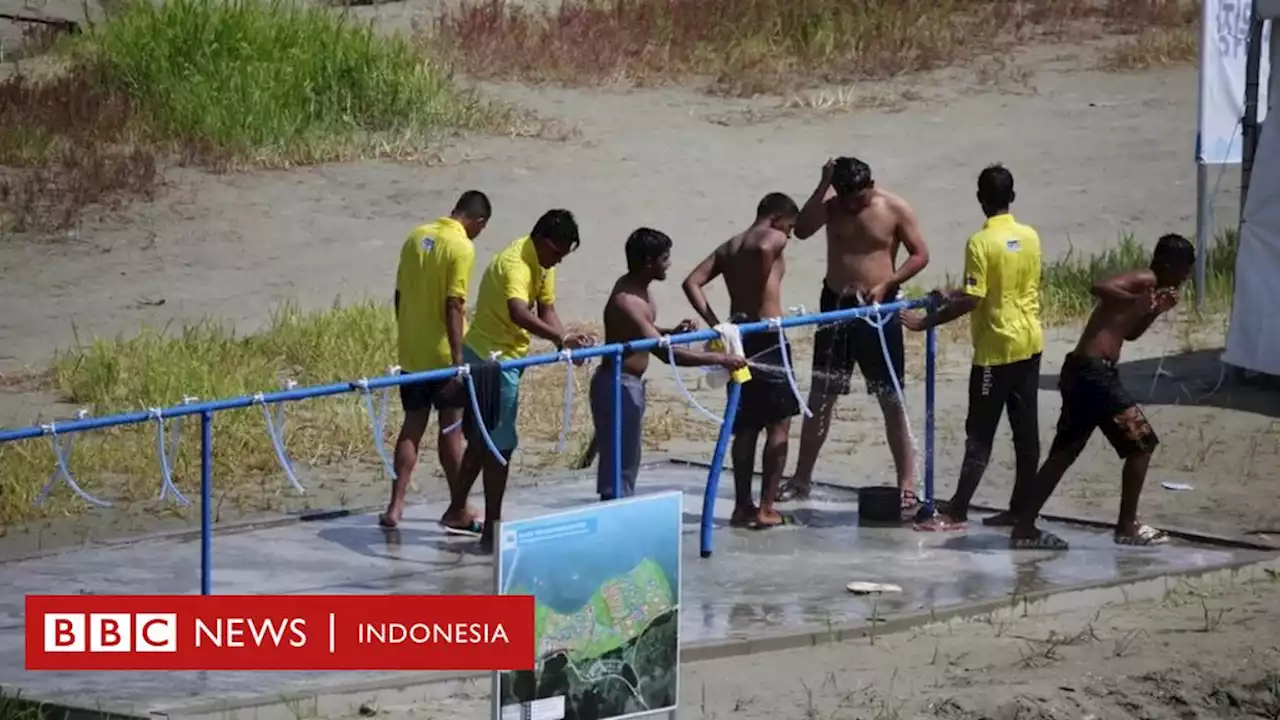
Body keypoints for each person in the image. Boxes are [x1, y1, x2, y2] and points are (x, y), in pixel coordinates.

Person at [1009, 234, 1195, 549]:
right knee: (1142, 442)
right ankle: (1127, 526)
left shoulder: (1149, 289)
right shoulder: (1144, 278)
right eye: (1184, 270)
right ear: (1168, 264)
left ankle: (1024, 526)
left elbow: (1130, 332)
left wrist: (1153, 311)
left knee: (1064, 453)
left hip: (1085, 372)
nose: (1186, 277)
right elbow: (1097, 286)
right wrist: (1133, 300)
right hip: (1093, 374)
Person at [780, 157, 930, 508]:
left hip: (880, 309)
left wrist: (888, 283)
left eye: (859, 198)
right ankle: (802, 478)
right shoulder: (832, 207)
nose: (853, 205)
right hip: (836, 305)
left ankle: (906, 484)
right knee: (821, 395)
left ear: (872, 184)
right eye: (846, 197)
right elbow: (801, 230)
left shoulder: (894, 207)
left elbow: (920, 255)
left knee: (890, 398)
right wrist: (823, 184)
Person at [902, 164, 1044, 531]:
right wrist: (950, 292)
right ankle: (1020, 509)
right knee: (1026, 432)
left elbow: (974, 300)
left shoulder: (980, 243)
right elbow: (1001, 286)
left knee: (979, 433)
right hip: (1030, 344)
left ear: (980, 199)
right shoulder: (1029, 236)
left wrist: (924, 323)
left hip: (996, 352)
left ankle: (957, 510)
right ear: (1012, 197)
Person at [451, 209, 593, 552]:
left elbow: (546, 310)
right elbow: (519, 311)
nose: (558, 263)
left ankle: (456, 509)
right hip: (489, 360)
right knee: (502, 446)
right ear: (544, 241)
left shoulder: (543, 265)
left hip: (512, 356)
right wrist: (560, 340)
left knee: (484, 442)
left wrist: (568, 340)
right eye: (557, 254)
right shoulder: (515, 263)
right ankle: (493, 530)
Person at [591, 228, 747, 501]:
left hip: (629, 384)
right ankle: (613, 515)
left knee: (628, 459)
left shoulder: (640, 290)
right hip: (617, 384)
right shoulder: (627, 300)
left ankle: (619, 508)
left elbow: (643, 333)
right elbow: (666, 354)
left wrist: (672, 332)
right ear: (649, 262)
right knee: (619, 464)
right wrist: (721, 359)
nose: (669, 264)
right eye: (665, 258)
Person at [682, 193, 802, 529]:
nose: (789, 236)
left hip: (738, 336)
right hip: (767, 336)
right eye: (790, 227)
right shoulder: (772, 239)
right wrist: (758, 286)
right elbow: (766, 248)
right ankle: (765, 507)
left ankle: (741, 506)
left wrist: (715, 322)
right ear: (778, 218)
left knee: (745, 425)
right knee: (779, 424)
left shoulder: (730, 246)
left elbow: (691, 282)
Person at [380, 190, 491, 532]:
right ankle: (459, 507)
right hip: (443, 356)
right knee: (451, 431)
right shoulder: (462, 247)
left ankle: (395, 507)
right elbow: (454, 304)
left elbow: (399, 294)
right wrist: (458, 360)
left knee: (411, 427)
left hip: (412, 353)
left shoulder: (416, 236)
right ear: (479, 222)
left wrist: (408, 334)